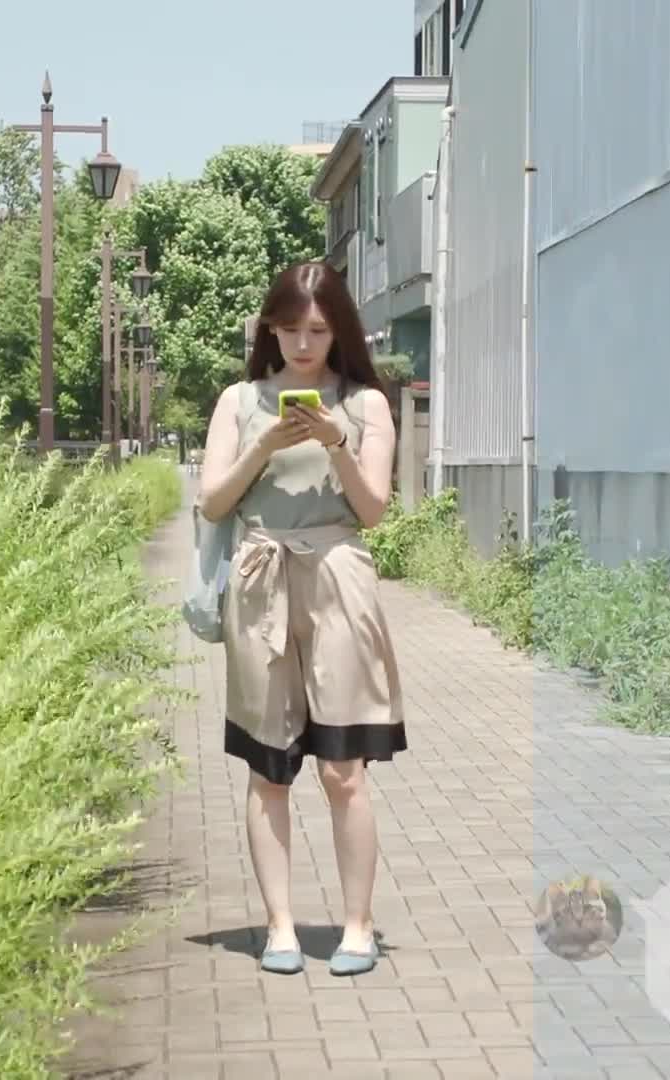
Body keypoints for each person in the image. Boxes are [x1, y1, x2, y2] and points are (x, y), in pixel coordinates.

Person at [196, 260, 406, 977]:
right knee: (270, 769)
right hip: (261, 577)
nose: (304, 344)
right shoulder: (239, 401)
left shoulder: (366, 404)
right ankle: (280, 927)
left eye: (317, 330)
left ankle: (358, 927)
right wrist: (264, 444)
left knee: (344, 768)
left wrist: (336, 442)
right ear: (271, 330)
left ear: (339, 329)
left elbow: (372, 510)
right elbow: (212, 502)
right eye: (290, 330)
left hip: (339, 576)